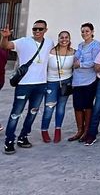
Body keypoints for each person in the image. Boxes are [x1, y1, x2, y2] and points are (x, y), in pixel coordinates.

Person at [2, 20, 54, 154]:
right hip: (24, 84)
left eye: (40, 29)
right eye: (34, 29)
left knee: (33, 112)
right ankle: (9, 140)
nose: (37, 31)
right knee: (16, 113)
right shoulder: (23, 41)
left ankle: (23, 136)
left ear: (45, 30)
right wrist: (5, 36)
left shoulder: (49, 43)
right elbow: (6, 45)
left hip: (41, 84)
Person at [69, 22, 100, 142]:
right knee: (77, 106)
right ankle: (79, 130)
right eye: (82, 31)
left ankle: (87, 130)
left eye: (87, 31)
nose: (84, 33)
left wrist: (81, 64)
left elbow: (95, 61)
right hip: (77, 80)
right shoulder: (80, 45)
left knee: (87, 106)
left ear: (92, 32)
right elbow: (75, 57)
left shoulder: (96, 45)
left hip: (89, 80)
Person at [41, 30, 75, 143]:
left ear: (69, 39)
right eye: (62, 37)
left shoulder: (73, 52)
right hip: (51, 82)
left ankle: (58, 130)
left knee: (61, 108)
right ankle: (44, 130)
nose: (64, 40)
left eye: (66, 37)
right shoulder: (50, 52)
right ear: (58, 39)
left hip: (66, 83)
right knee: (49, 108)